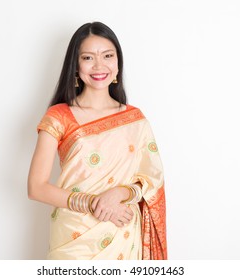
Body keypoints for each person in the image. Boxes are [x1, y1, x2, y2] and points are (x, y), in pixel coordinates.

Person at [28, 21, 167, 260]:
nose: (99, 65)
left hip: (122, 232)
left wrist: (120, 194)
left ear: (117, 62)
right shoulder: (59, 116)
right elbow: (36, 187)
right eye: (88, 58)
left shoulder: (135, 119)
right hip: (75, 238)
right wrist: (95, 203)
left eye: (107, 56)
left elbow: (152, 182)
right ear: (76, 64)